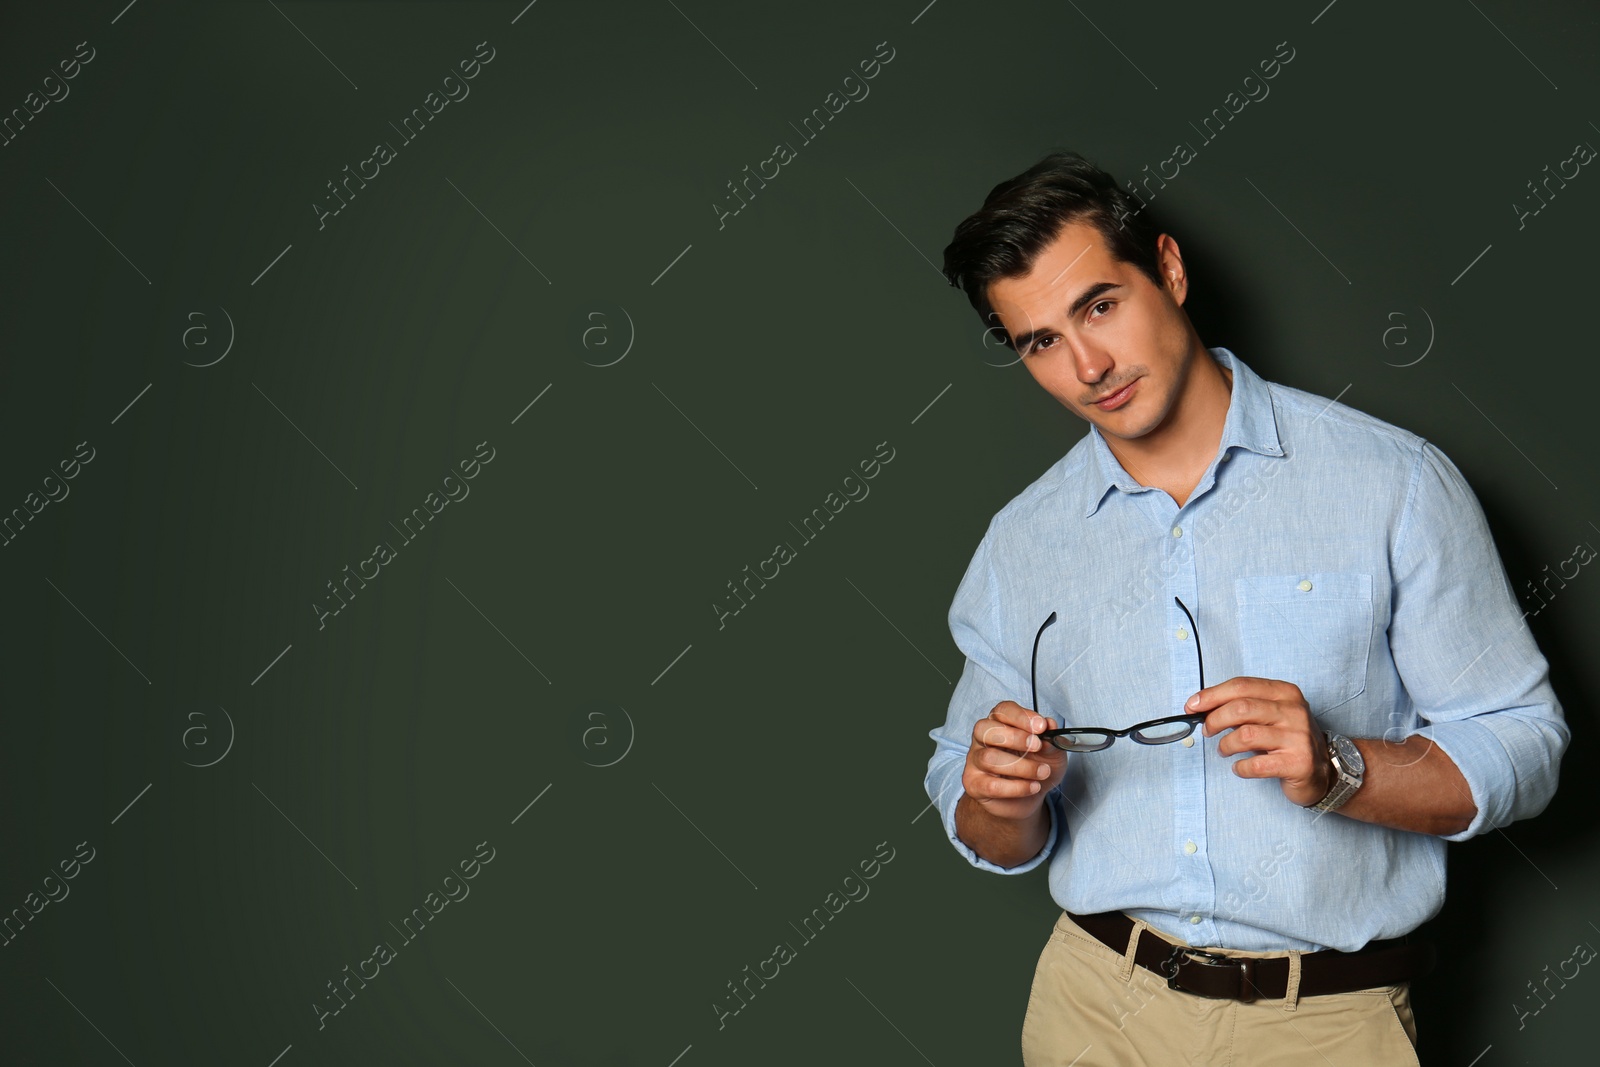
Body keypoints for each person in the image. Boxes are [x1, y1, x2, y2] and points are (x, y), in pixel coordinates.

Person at [923, 151, 1568, 1066]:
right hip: (1093, 1010)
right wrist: (999, 796)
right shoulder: (1021, 542)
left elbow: (1527, 742)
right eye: (1041, 342)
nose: (1089, 364)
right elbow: (972, 802)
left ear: (1171, 271)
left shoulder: (1395, 484)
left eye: (1100, 305)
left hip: (1327, 1024)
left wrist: (1340, 766)